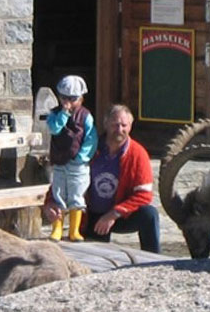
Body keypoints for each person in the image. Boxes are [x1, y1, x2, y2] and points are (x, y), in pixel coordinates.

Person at [44, 104, 161, 253]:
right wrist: (50, 202)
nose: (119, 129)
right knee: (91, 257)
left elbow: (144, 195)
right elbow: (64, 177)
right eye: (115, 124)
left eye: (124, 125)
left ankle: (153, 260)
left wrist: (114, 214)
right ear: (105, 124)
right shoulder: (89, 148)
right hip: (91, 215)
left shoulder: (138, 154)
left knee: (149, 214)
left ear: (130, 126)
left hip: (119, 214)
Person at [46, 75, 98, 242]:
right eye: (64, 98)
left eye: (73, 99)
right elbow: (54, 129)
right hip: (60, 162)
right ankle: (57, 228)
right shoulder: (54, 114)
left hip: (78, 164)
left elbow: (91, 139)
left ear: (81, 98)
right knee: (58, 194)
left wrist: (82, 157)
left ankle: (74, 230)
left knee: (76, 195)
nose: (68, 102)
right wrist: (63, 114)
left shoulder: (86, 116)